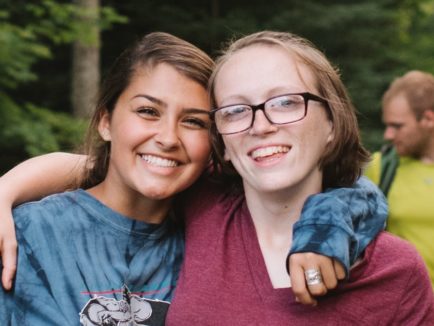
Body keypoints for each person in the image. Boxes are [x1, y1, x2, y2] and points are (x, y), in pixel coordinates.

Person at [0, 31, 387, 324]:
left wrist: (323, 226)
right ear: (105, 120)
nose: (168, 138)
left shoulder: (214, 217)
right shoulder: (29, 234)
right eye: (148, 112)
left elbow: (349, 188)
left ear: (216, 141)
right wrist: (6, 189)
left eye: (193, 122)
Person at [163, 31, 434, 325]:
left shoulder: (395, 271)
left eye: (285, 102)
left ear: (332, 122)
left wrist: (324, 227)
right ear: (221, 141)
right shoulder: (194, 202)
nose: (260, 126)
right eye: (236, 110)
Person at [365, 70, 434, 288]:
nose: (388, 135)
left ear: (428, 118)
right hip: (409, 311)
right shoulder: (380, 168)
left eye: (397, 126)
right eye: (387, 125)